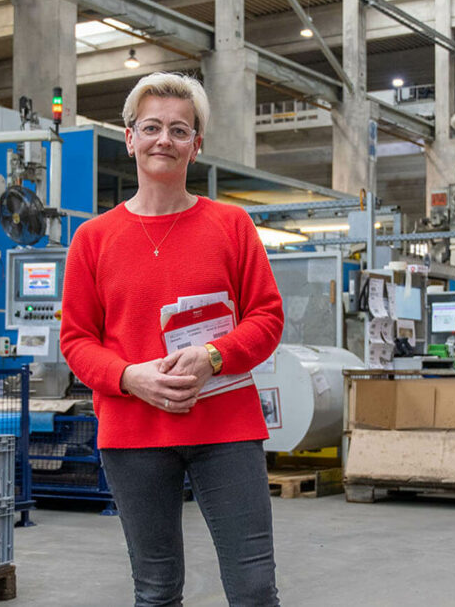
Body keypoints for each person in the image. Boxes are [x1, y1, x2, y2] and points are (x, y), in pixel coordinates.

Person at [60, 72, 284, 607]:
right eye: (152, 127)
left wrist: (214, 356)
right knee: (156, 590)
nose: (165, 139)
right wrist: (128, 376)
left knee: (254, 589)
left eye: (180, 130)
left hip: (226, 429)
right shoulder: (92, 239)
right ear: (130, 137)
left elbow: (267, 317)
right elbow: (76, 339)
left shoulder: (231, 226)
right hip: (134, 433)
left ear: (196, 145)